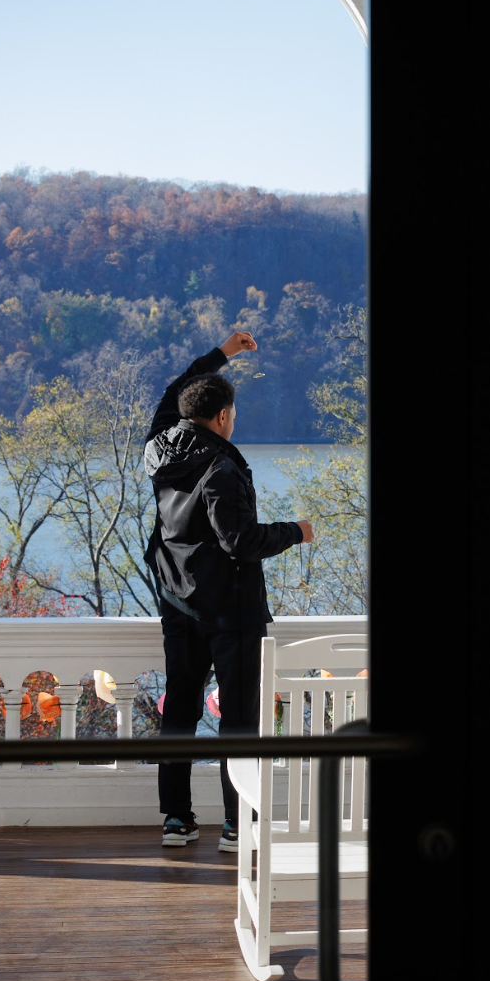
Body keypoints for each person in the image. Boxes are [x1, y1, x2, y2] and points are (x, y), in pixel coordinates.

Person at [144, 335, 314, 852]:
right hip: (231, 609)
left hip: (177, 601)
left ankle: (176, 819)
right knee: (239, 718)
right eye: (232, 413)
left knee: (180, 711)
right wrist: (296, 531)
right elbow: (240, 540)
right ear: (220, 417)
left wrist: (221, 354)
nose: (234, 421)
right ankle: (238, 825)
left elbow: (175, 390)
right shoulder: (220, 468)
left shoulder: (158, 447)